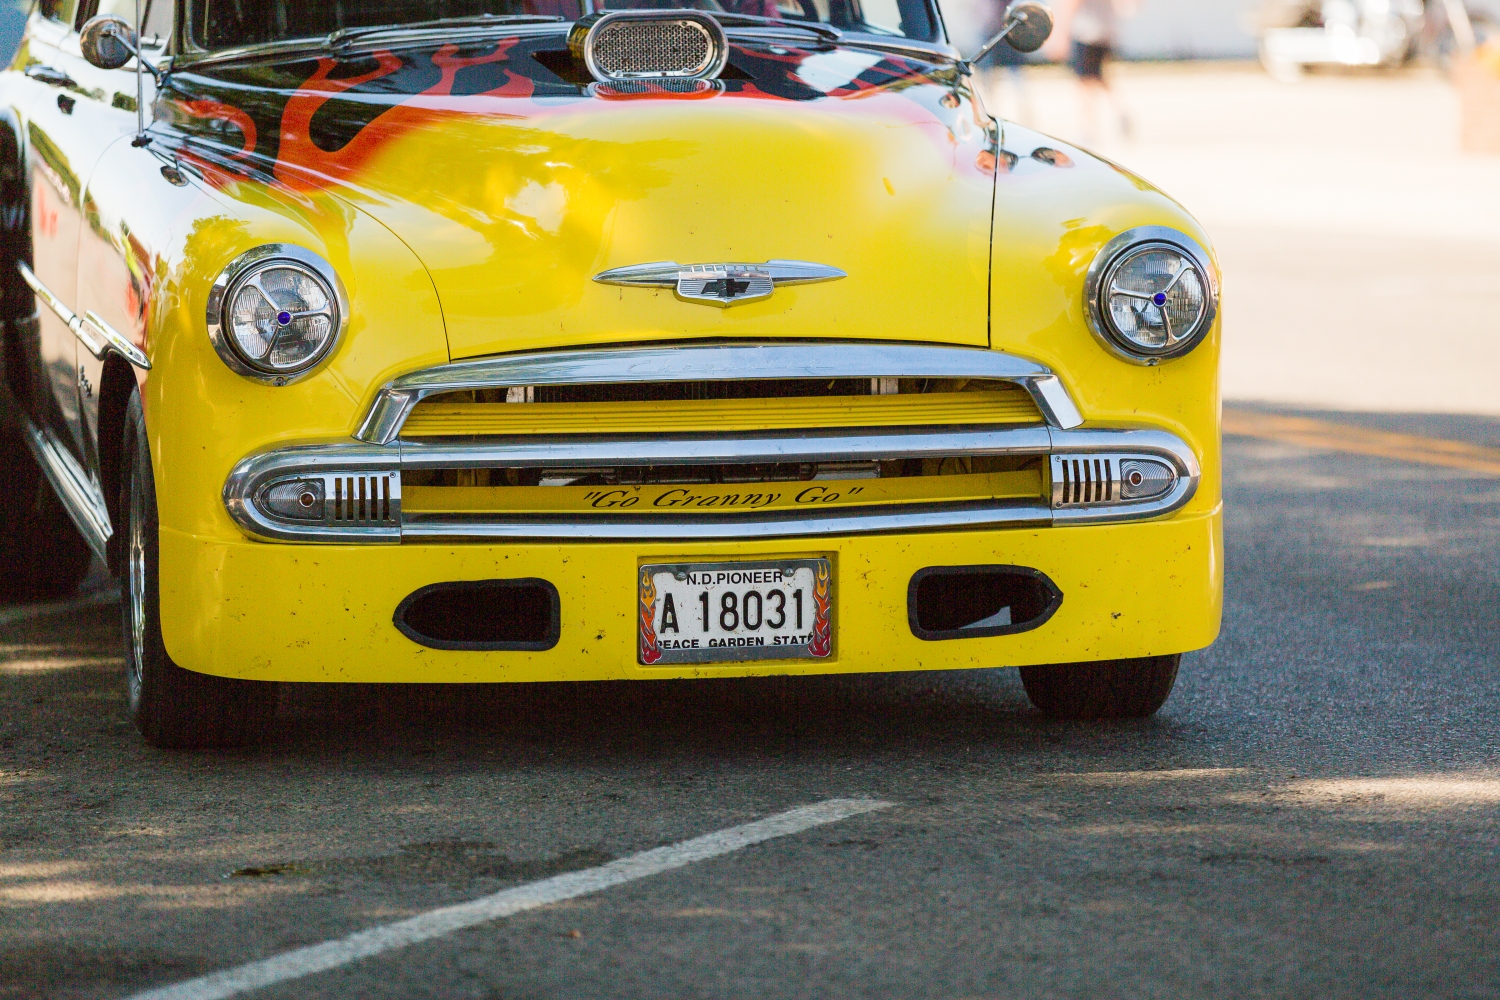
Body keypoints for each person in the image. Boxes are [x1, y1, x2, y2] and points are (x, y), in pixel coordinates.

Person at [1046, 0, 1135, 145]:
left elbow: (1070, 6)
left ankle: (1088, 130)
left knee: (1084, 82)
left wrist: (1060, 35)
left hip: (1085, 34)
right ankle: (1120, 110)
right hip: (1104, 34)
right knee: (1098, 77)